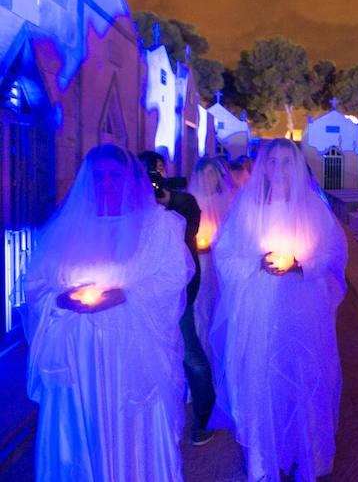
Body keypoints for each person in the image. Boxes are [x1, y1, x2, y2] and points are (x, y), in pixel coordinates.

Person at [23, 144, 193, 481]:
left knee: (125, 427)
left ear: (130, 179)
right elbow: (37, 284)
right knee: (83, 431)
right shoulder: (65, 229)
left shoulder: (156, 227)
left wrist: (125, 294)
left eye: (114, 176)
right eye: (98, 177)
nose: (106, 184)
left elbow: (173, 277)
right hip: (77, 359)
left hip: (130, 357)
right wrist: (60, 300)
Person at [211, 138, 347, 481]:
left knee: (301, 375)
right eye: (273, 162)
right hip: (259, 312)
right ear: (264, 168)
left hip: (301, 310)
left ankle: (306, 453)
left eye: (288, 161)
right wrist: (257, 262)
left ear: (298, 166)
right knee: (262, 377)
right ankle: (264, 461)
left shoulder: (314, 209)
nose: (280, 169)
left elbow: (330, 255)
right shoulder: (247, 209)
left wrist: (299, 264)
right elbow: (225, 255)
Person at [138, 150, 217, 445]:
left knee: (189, 351)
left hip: (178, 287)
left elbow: (190, 224)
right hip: (143, 294)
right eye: (149, 172)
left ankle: (203, 418)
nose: (155, 176)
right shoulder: (133, 205)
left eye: (159, 169)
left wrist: (167, 200)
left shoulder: (182, 202)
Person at [187, 156, 237, 359]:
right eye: (204, 174)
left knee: (218, 308)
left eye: (212, 174)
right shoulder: (190, 202)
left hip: (219, 266)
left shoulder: (227, 201)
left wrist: (216, 246)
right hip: (196, 265)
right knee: (200, 310)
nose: (209, 179)